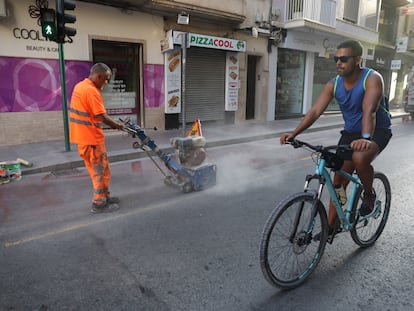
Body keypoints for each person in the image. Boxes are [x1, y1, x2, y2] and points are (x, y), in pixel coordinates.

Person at [279, 40, 392, 238]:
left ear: (358, 60)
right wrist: (294, 133)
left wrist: (365, 138)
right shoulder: (334, 84)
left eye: (344, 59)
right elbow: (315, 111)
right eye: (336, 59)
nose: (339, 63)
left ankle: (368, 194)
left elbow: (369, 111)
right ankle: (332, 225)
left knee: (359, 158)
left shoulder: (372, 78)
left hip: (376, 130)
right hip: (350, 134)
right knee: (338, 182)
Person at [69, 62, 124, 213]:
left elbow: (91, 114)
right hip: (92, 140)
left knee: (101, 170)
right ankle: (99, 203)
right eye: (105, 79)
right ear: (98, 76)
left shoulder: (80, 86)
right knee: (100, 171)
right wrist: (117, 125)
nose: (105, 83)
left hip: (84, 139)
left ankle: (105, 196)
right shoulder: (91, 91)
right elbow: (101, 115)